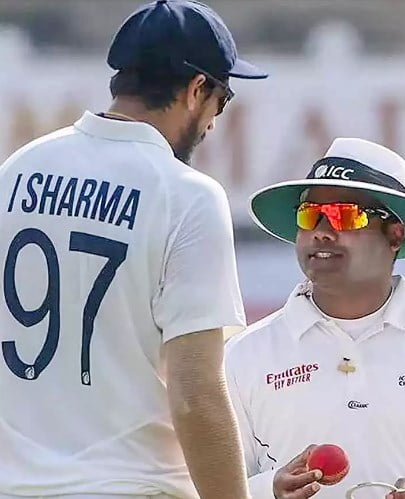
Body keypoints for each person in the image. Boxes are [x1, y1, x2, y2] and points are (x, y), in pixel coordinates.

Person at [0, 1, 267, 498]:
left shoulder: (18, 169)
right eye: (222, 100)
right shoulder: (187, 195)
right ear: (196, 90)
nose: (214, 122)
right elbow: (196, 395)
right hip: (131, 485)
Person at [224, 138, 405, 499]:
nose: (321, 231)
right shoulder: (242, 355)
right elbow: (208, 483)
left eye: (344, 215)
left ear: (395, 235)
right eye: (309, 215)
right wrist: (267, 490)